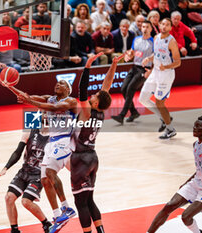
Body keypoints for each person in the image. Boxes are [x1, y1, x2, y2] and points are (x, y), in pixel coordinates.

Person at [7, 80, 78, 233]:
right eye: (57, 83)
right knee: (45, 179)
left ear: (68, 89)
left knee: (51, 173)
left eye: (62, 84)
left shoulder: (71, 101)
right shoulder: (49, 98)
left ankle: (66, 208)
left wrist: (30, 101)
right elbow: (27, 96)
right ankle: (58, 215)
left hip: (64, 140)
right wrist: (10, 86)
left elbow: (54, 108)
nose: (58, 85)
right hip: (52, 141)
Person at [147, 116, 202, 233]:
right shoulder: (195, 145)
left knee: (186, 216)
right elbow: (200, 169)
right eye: (194, 126)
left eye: (198, 126)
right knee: (169, 206)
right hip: (196, 182)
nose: (194, 128)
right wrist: (186, 183)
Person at [71, 52, 124, 233]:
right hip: (93, 158)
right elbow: (106, 87)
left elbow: (82, 90)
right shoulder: (100, 110)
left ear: (94, 104)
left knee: (80, 203)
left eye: (94, 97)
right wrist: (114, 65)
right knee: (89, 199)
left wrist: (87, 66)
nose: (92, 95)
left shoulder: (87, 112)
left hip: (80, 159)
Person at [0, 126, 52, 233]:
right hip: (25, 171)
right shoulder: (30, 130)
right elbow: (18, 152)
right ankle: (14, 230)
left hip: (38, 175)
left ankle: (46, 223)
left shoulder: (55, 136)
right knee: (9, 197)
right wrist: (6, 167)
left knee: (26, 202)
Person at [140, 18, 181, 139]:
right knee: (143, 98)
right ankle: (164, 118)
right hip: (155, 72)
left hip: (166, 74)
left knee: (159, 102)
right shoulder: (156, 37)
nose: (164, 26)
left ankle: (170, 129)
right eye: (163, 24)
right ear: (159, 25)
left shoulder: (171, 42)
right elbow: (156, 54)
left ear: (170, 28)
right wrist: (149, 59)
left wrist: (166, 66)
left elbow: (178, 62)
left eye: (167, 25)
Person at [111, 20, 154, 124]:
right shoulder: (136, 39)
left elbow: (156, 57)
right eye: (143, 27)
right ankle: (134, 112)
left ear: (151, 29)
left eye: (147, 27)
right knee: (123, 89)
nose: (145, 29)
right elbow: (132, 52)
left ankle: (122, 115)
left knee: (130, 88)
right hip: (134, 67)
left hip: (144, 69)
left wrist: (151, 71)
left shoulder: (153, 41)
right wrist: (128, 55)